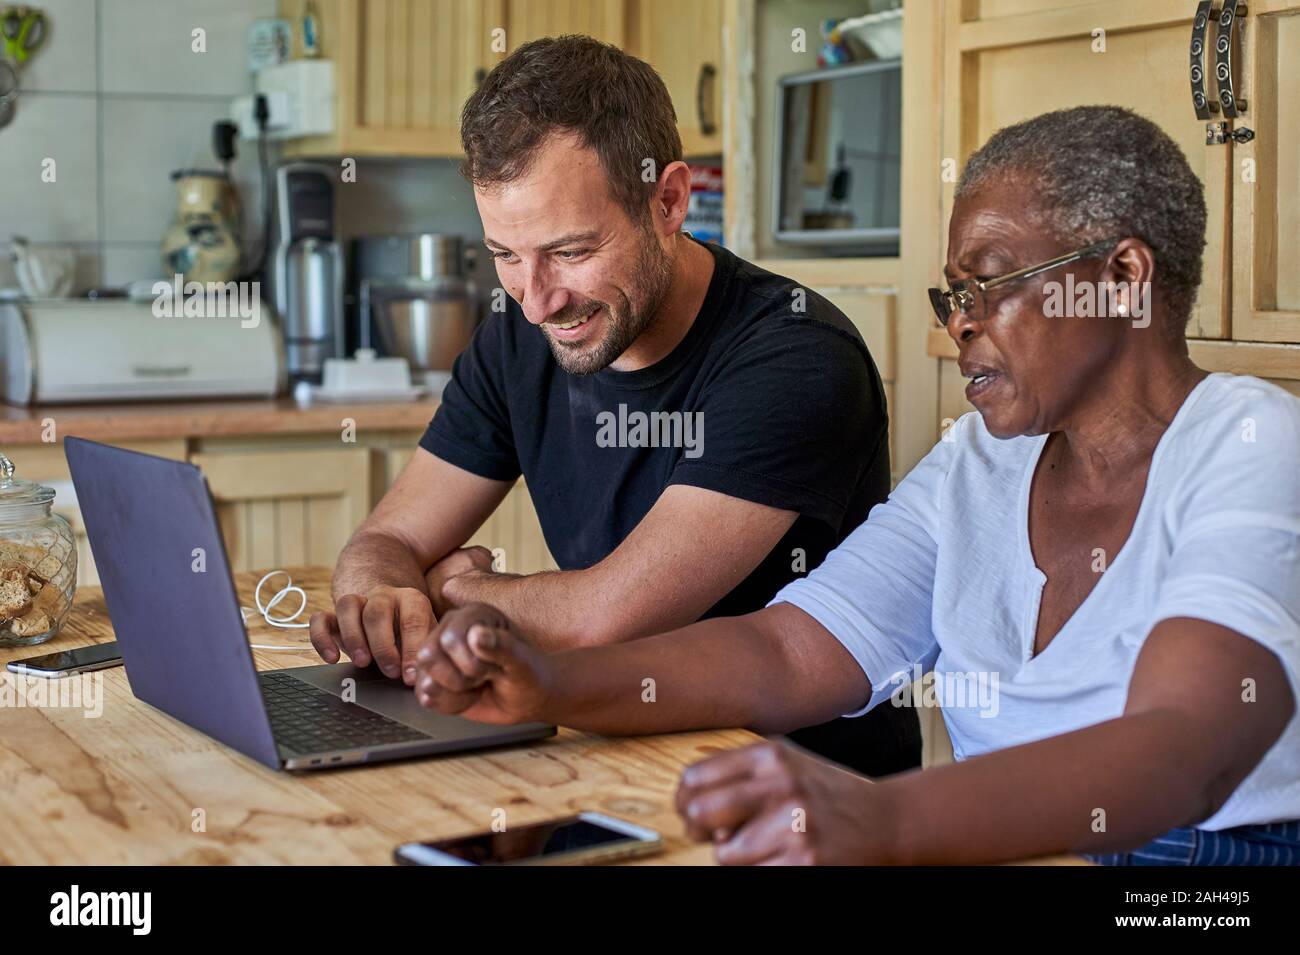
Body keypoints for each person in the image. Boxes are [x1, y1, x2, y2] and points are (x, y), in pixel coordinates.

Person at [409, 105, 1300, 866]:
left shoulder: (1251, 440)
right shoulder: (976, 467)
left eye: (990, 284)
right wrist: (551, 684)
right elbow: (788, 651)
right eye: (950, 294)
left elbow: (1191, 747)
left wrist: (883, 815)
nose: (961, 325)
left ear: (1122, 278)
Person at [308, 35, 920, 777]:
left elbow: (604, 617)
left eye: (568, 251)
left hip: (794, 793)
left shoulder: (797, 357)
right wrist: (380, 589)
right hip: (608, 750)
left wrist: (450, 590)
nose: (536, 299)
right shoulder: (518, 335)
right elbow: (387, 537)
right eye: (505, 255)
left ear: (667, 200)